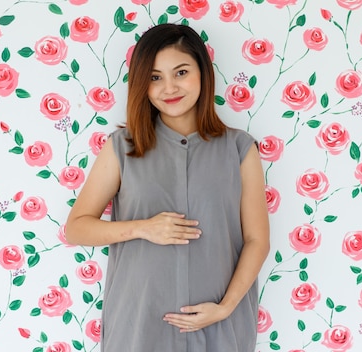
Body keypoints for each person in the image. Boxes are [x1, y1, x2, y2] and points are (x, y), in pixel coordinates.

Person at [65, 23, 270, 352]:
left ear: (202, 72)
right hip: (139, 325)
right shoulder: (122, 147)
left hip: (218, 325)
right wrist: (143, 228)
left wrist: (226, 308)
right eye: (155, 77)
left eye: (181, 72)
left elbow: (256, 240)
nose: (169, 87)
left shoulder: (239, 149)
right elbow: (76, 228)